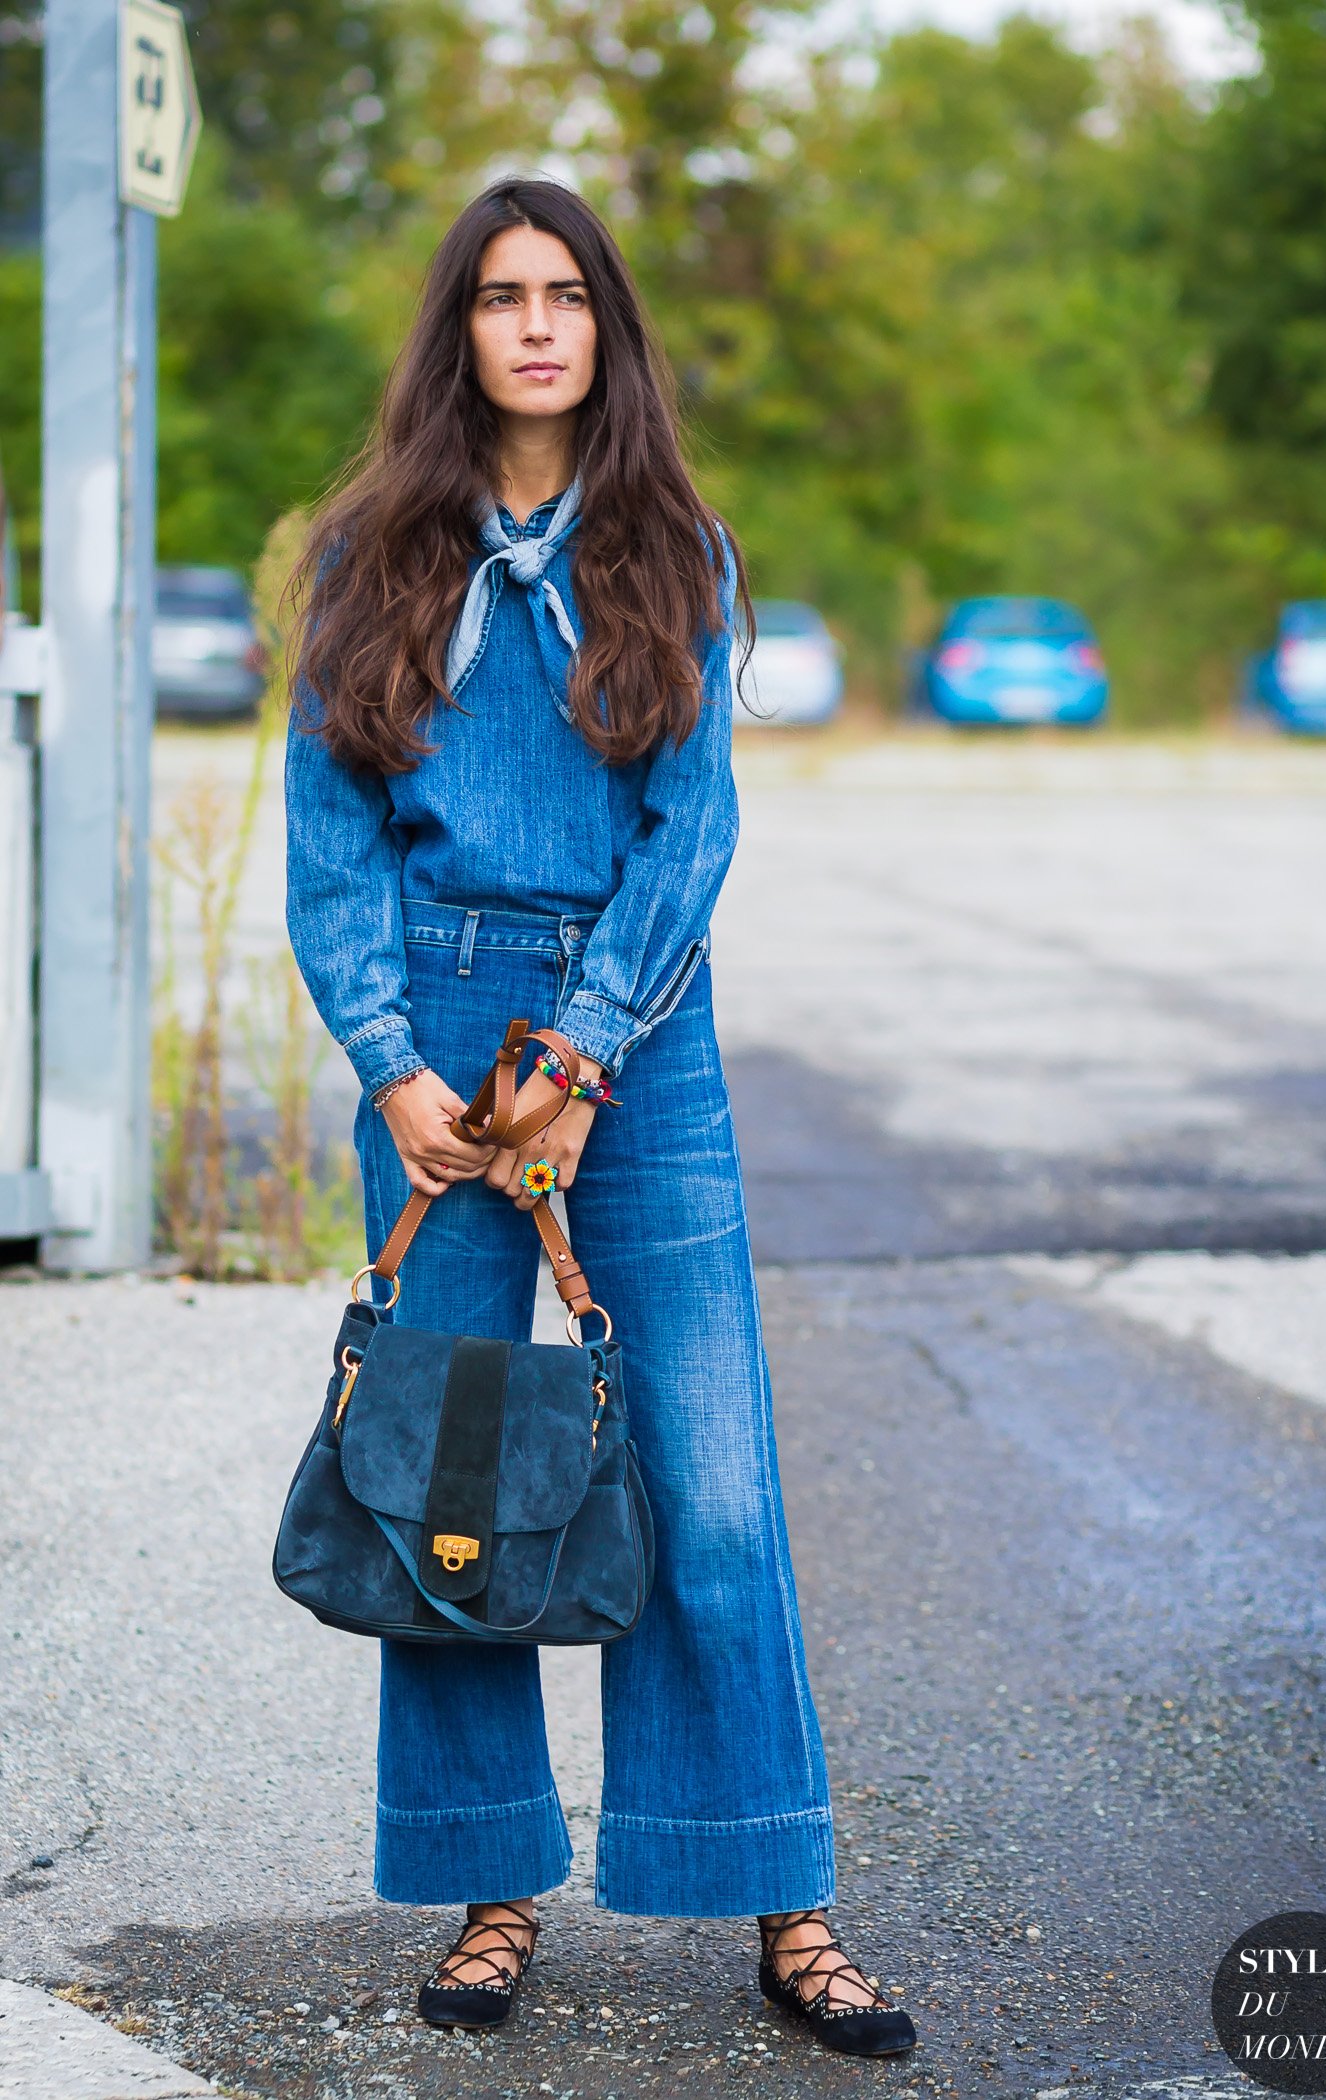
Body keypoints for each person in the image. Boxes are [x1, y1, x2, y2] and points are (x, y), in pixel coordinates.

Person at [283, 176, 915, 2062]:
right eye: (501, 296)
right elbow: (329, 852)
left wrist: (577, 1055)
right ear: (458, 332)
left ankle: (781, 1896)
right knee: (451, 1488)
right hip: (435, 1038)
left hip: (631, 1040)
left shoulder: (679, 546)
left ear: (607, 330)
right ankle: (492, 1888)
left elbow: (694, 830)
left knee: (710, 1478)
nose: (538, 325)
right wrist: (397, 1066)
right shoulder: (369, 553)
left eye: (567, 295)